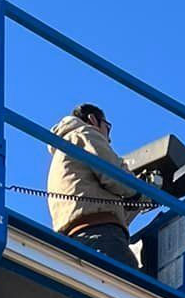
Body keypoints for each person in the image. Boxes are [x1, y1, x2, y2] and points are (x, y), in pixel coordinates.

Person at [46, 103, 141, 269]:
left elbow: (105, 206)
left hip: (74, 239)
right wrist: (140, 190)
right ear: (92, 119)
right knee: (132, 285)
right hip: (101, 234)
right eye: (107, 127)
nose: (109, 138)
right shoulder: (84, 133)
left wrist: (138, 202)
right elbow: (113, 175)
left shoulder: (62, 153)